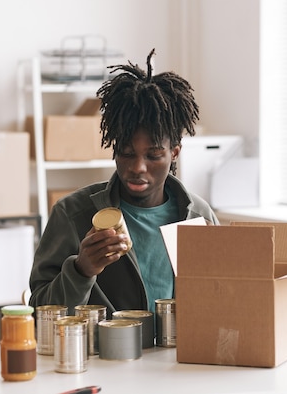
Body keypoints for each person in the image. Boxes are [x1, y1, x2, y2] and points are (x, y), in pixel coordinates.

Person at [29, 49, 219, 316]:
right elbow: (39, 314)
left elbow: (226, 304)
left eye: (153, 155)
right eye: (127, 153)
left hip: (176, 357)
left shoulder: (198, 216)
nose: (137, 167)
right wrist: (81, 270)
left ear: (174, 152)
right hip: (100, 357)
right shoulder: (73, 214)